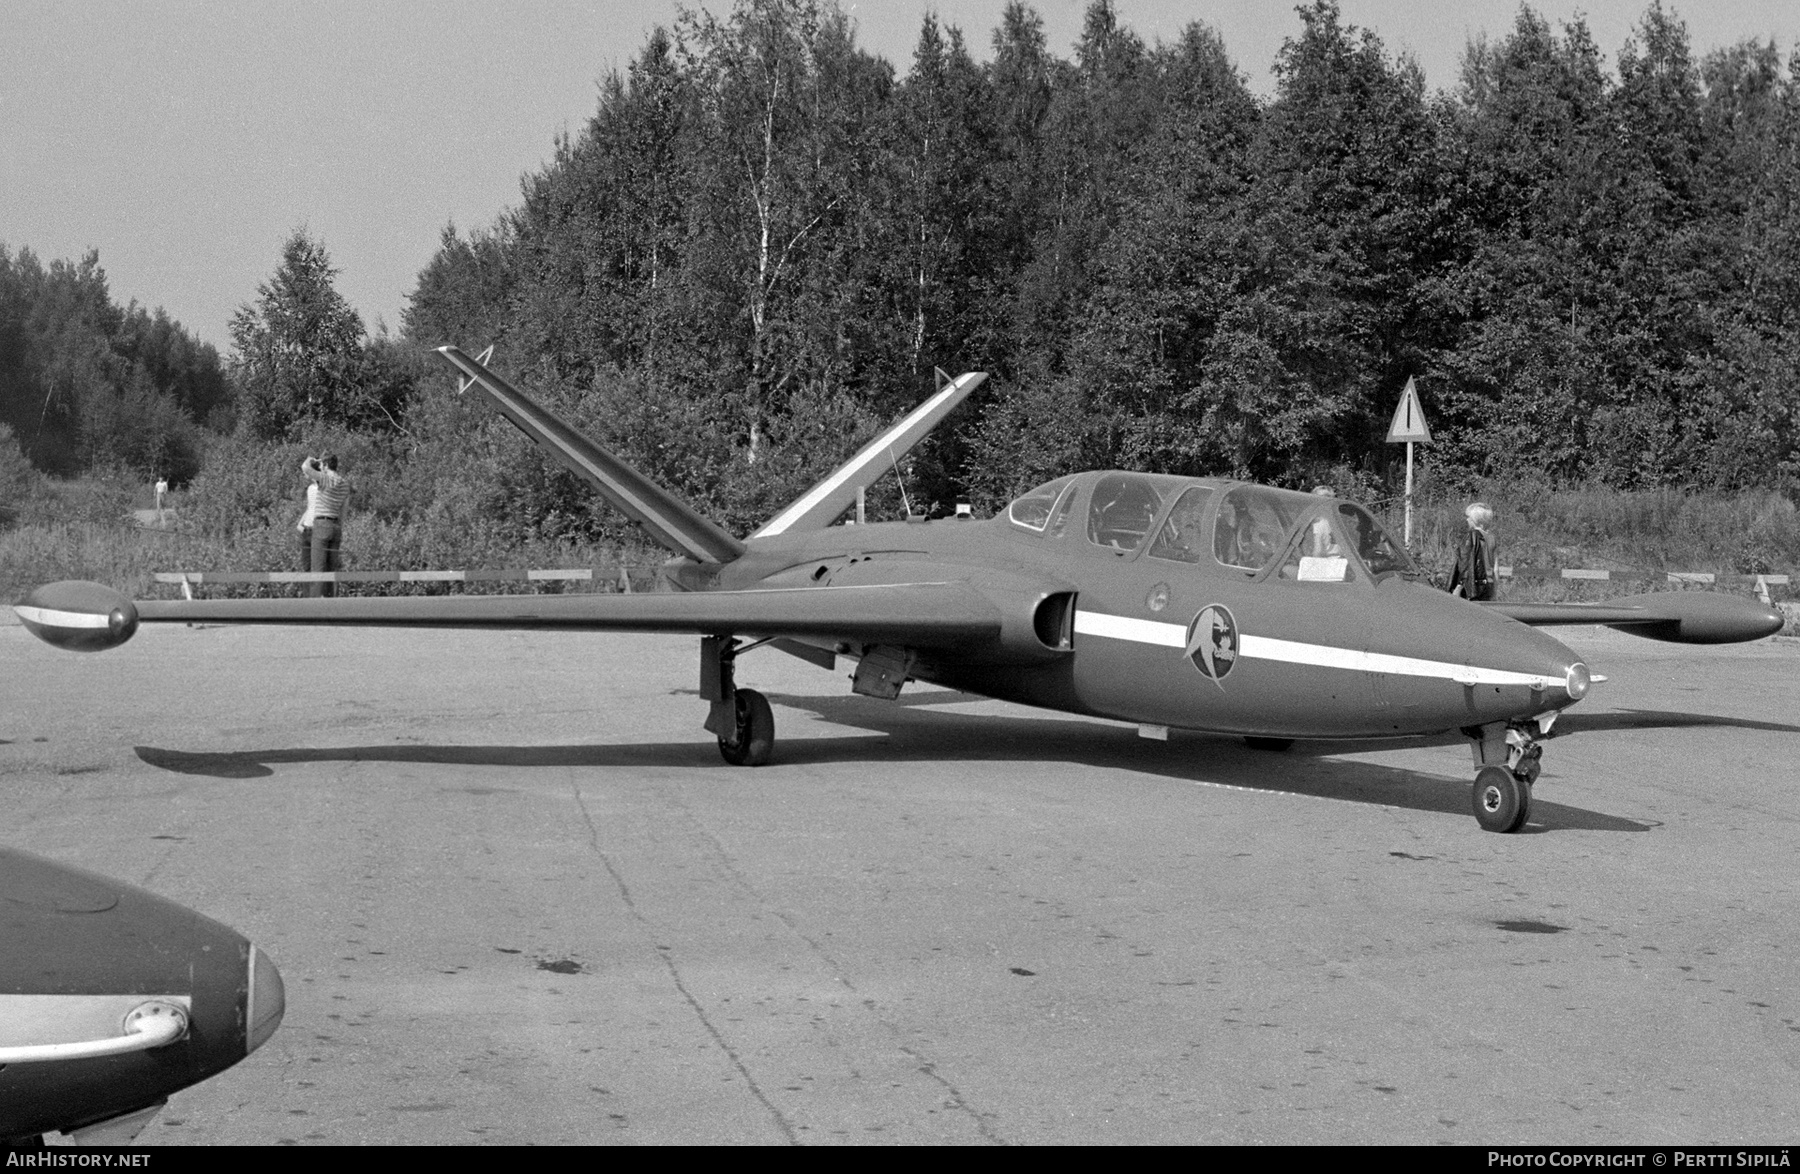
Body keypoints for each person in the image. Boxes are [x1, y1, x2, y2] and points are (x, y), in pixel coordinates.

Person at [301, 454, 349, 598]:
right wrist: (339, 527)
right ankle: (331, 602)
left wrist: (311, 459)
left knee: (318, 569)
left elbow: (305, 468)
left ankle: (315, 607)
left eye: (322, 465)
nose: (321, 467)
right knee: (332, 569)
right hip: (336, 525)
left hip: (322, 524)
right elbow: (344, 510)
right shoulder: (344, 483)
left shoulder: (325, 479)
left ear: (326, 465)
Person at [1448, 502, 1498, 601]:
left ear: (1475, 520)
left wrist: (1458, 587)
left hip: (1472, 586)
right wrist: (1494, 591)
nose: (1467, 519)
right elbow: (1495, 569)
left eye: (1469, 517)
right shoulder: (1491, 538)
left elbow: (1466, 564)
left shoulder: (1472, 536)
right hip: (1488, 586)